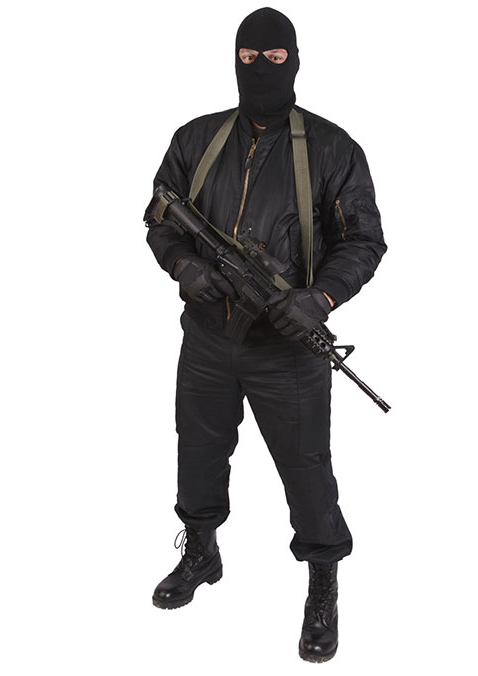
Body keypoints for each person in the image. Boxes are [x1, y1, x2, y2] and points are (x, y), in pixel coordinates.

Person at [142, 7, 386, 663]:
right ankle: (201, 551)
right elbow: (160, 216)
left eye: (274, 58)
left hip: (287, 348)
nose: (261, 69)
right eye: (249, 58)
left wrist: (320, 299)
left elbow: (364, 241)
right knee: (197, 451)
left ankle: (323, 580)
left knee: (306, 470)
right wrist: (184, 265)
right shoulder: (196, 139)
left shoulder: (332, 149)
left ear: (295, 61)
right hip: (207, 341)